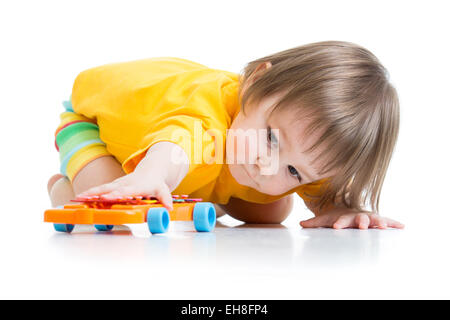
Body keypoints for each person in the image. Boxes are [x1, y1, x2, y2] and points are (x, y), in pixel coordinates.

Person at [47, 41, 404, 229]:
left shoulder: (300, 146)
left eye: (293, 171)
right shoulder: (205, 115)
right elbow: (178, 142)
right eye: (271, 139)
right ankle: (63, 188)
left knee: (274, 209)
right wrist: (152, 175)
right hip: (97, 123)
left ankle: (198, 192)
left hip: (193, 158)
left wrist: (342, 208)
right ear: (257, 81)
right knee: (118, 194)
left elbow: (321, 188)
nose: (266, 166)